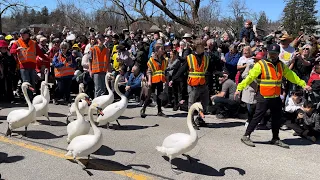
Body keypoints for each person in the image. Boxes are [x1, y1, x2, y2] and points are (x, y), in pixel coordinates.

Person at [235, 43, 311, 148]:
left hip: (275, 96)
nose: (272, 55)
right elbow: (250, 77)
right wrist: (239, 88)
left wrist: (303, 84)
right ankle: (246, 136)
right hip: (263, 96)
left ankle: (275, 138)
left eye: (275, 53)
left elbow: (291, 75)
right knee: (257, 117)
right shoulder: (261, 64)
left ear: (278, 54)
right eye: (271, 53)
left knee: (277, 118)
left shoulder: (281, 65)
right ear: (267, 53)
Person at [170, 39, 209, 127]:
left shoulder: (206, 58)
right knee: (192, 103)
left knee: (204, 103)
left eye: (203, 46)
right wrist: (173, 79)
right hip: (193, 84)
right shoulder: (190, 57)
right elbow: (182, 69)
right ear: (197, 47)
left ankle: (199, 119)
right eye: (201, 46)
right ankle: (191, 121)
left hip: (203, 84)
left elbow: (210, 69)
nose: (203, 48)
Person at [10, 28, 48, 99]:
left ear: (28, 34)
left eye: (23, 34)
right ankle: (28, 98)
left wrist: (48, 59)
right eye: (21, 34)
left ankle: (31, 96)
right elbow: (11, 51)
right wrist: (16, 50)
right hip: (23, 66)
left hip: (32, 66)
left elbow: (40, 53)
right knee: (26, 82)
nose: (22, 35)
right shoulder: (17, 43)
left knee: (32, 82)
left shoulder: (33, 43)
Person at [140, 43, 168, 118]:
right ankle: (143, 109)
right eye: (161, 49)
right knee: (148, 95)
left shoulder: (164, 60)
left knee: (159, 96)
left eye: (163, 49)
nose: (163, 50)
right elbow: (149, 71)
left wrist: (166, 80)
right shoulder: (152, 60)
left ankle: (159, 111)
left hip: (160, 80)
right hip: (153, 80)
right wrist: (149, 80)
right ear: (157, 50)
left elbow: (165, 71)